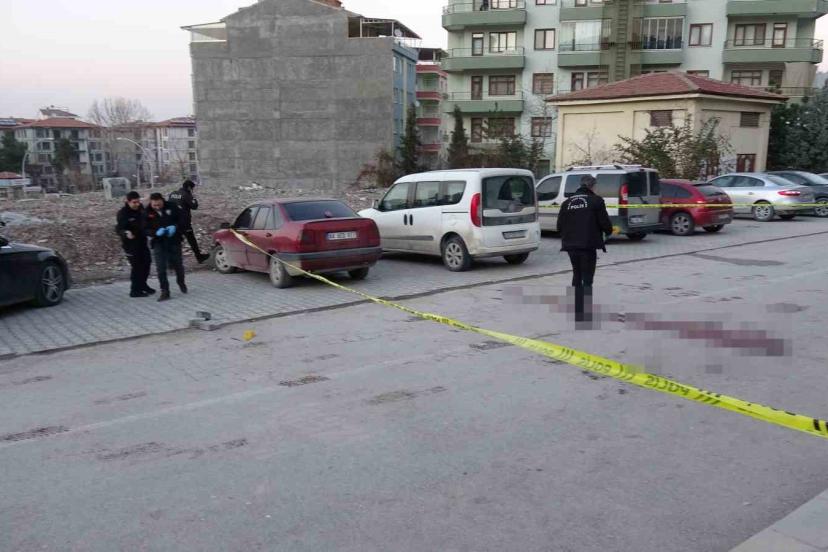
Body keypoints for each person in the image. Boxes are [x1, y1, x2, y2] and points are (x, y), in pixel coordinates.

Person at [556, 175, 613, 324]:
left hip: (571, 246)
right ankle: (584, 314)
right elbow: (605, 223)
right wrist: (609, 231)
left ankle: (576, 308)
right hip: (587, 245)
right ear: (592, 186)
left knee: (577, 274)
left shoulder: (567, 202)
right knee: (587, 278)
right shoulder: (596, 201)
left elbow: (559, 226)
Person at [145, 192, 187, 302]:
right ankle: (165, 291)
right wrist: (155, 232)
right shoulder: (146, 212)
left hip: (174, 241)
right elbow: (144, 228)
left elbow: (183, 220)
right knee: (160, 268)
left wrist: (175, 227)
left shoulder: (172, 206)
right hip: (158, 243)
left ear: (162, 200)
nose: (157, 207)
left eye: (159, 204)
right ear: (151, 203)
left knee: (178, 265)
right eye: (154, 205)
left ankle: (181, 282)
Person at [115, 191, 155, 298]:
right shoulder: (123, 213)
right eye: (134, 202)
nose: (137, 204)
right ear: (128, 202)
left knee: (147, 263)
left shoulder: (140, 208)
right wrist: (126, 233)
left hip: (142, 242)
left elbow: (147, 218)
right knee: (137, 267)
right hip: (130, 245)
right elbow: (118, 229)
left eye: (138, 202)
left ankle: (143, 285)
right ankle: (134, 291)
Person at [168, 179, 209, 264]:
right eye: (192, 188)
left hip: (173, 222)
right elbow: (194, 206)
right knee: (192, 240)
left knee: (174, 241)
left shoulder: (173, 193)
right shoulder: (186, 194)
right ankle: (199, 257)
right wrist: (193, 197)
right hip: (184, 223)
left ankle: (170, 261)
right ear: (189, 187)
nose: (192, 190)